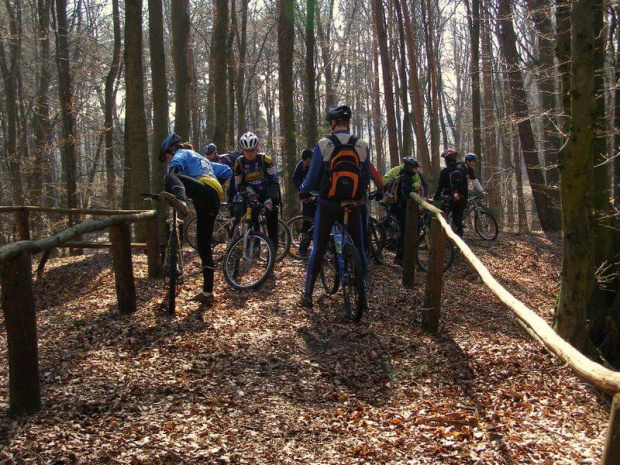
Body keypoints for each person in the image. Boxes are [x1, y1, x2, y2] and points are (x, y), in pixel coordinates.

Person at [299, 105, 370, 308]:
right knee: (359, 246)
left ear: (332, 122)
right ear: (348, 123)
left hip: (328, 204)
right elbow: (364, 178)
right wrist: (357, 196)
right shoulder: (362, 145)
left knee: (319, 247)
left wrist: (304, 191)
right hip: (353, 205)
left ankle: (307, 294)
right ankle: (363, 292)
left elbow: (312, 178)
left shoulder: (324, 144)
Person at [159, 134, 232, 304]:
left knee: (168, 177)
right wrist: (216, 184)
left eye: (166, 157)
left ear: (172, 149)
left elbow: (174, 170)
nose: (168, 161)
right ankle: (207, 292)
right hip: (213, 199)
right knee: (203, 245)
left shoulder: (181, 153)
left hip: (204, 192)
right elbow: (227, 170)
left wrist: (174, 183)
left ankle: (181, 201)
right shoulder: (201, 159)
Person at [233, 131, 281, 253]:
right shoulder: (239, 163)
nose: (250, 153)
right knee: (252, 220)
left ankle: (272, 256)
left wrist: (269, 198)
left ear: (257, 147)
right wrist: (248, 193)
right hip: (252, 195)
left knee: (272, 226)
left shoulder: (266, 160)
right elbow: (238, 185)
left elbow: (275, 181)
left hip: (268, 193)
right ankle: (255, 246)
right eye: (246, 150)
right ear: (242, 150)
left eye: (252, 150)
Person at [433, 150, 485, 237]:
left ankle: (442, 239)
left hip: (449, 199)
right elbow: (465, 186)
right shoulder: (462, 170)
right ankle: (459, 242)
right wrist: (464, 196)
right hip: (460, 199)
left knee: (440, 218)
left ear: (446, 161)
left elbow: (440, 186)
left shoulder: (445, 172)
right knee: (457, 221)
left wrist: (436, 196)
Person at [393, 157, 424, 264]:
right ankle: (400, 258)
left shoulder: (404, 175)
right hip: (404, 209)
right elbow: (407, 194)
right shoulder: (406, 177)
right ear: (410, 168)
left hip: (403, 208)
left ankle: (403, 257)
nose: (416, 170)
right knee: (406, 232)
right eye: (415, 168)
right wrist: (414, 193)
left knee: (406, 232)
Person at [293, 149, 316, 257]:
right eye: (305, 161)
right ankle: (303, 249)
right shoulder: (301, 165)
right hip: (307, 197)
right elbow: (296, 179)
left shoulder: (318, 162)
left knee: (319, 222)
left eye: (308, 161)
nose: (307, 163)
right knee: (307, 223)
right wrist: (302, 190)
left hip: (319, 196)